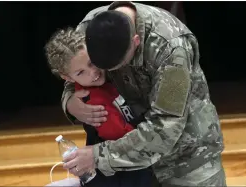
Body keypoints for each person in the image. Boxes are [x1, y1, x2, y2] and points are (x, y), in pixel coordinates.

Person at [62, 2, 227, 187]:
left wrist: (98, 156)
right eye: (96, 64)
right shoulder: (89, 28)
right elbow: (71, 71)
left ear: (136, 41)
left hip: (187, 161)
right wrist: (69, 101)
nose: (97, 74)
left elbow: (166, 126)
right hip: (131, 167)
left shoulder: (172, 46)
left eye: (114, 68)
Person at [44, 27, 154, 187]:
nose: (93, 73)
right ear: (67, 77)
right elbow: (118, 134)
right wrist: (150, 135)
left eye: (92, 62)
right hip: (118, 173)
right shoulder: (93, 101)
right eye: (81, 72)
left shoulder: (111, 76)